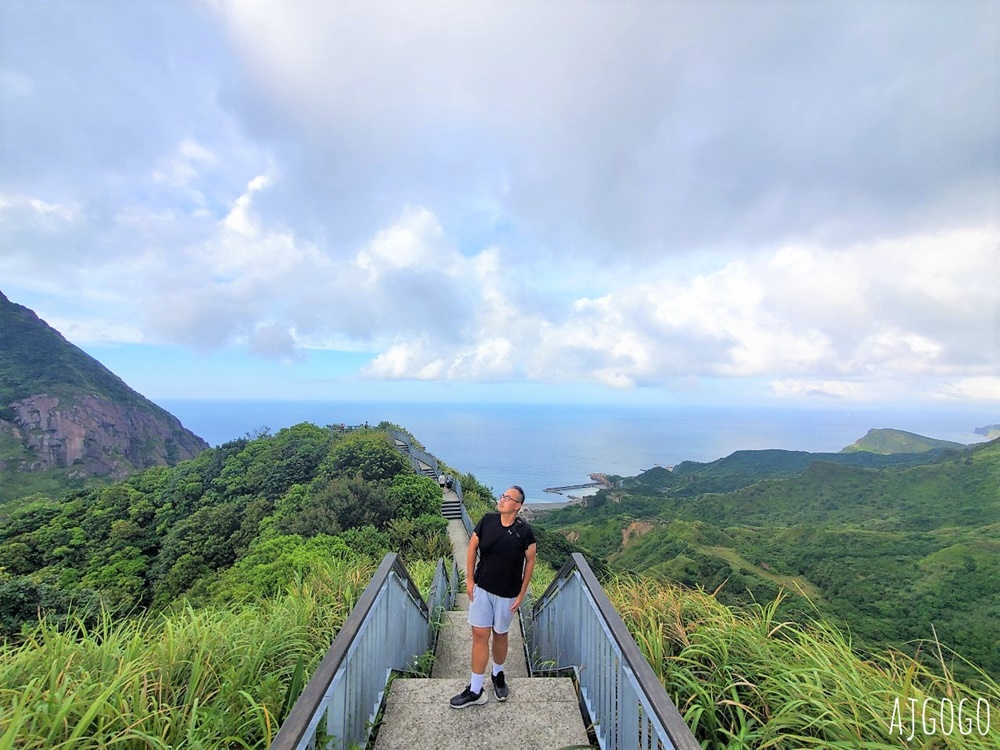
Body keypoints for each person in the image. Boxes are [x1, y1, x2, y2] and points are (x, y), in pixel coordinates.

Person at [449, 485, 536, 708]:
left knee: (500, 634)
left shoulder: (525, 532)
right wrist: (469, 580)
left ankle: (498, 674)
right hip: (483, 587)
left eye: (508, 498)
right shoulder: (487, 520)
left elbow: (530, 563)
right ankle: (476, 689)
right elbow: (471, 547)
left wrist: (521, 593)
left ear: (517, 506)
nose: (502, 500)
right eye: (502, 496)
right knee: (479, 634)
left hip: (507, 593)